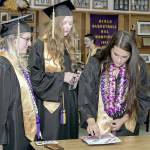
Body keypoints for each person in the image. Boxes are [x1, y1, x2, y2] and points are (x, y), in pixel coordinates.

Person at [78, 30, 150, 137]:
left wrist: (124, 119)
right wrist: (90, 120)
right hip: (99, 126)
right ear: (110, 48)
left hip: (127, 125)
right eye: (116, 54)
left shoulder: (138, 66)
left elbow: (143, 98)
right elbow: (85, 93)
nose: (119, 60)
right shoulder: (96, 62)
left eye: (125, 57)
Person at [28, 0, 79, 140]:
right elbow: (36, 80)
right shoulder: (40, 46)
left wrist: (75, 77)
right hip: (50, 106)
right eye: (64, 23)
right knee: (52, 141)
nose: (68, 27)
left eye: (70, 23)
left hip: (68, 102)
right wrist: (62, 77)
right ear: (55, 24)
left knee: (68, 140)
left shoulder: (67, 45)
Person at [0, 15, 41, 150]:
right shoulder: (4, 65)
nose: (30, 44)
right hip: (11, 132)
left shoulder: (16, 63)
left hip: (21, 126)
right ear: (13, 39)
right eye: (27, 39)